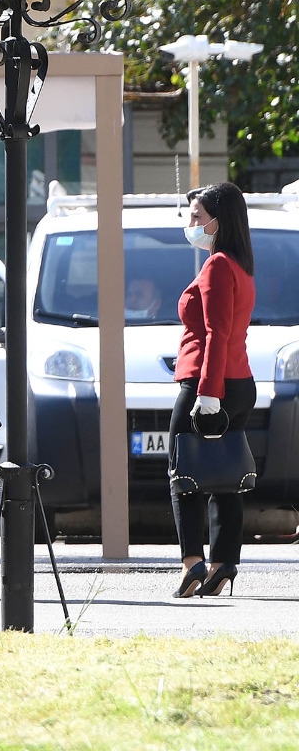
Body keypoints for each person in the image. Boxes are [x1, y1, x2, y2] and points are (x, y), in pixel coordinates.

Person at [169, 182, 256, 599]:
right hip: (238, 382)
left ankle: (192, 564)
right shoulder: (239, 264)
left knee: (182, 471)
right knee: (226, 476)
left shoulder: (218, 265)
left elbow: (215, 331)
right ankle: (222, 565)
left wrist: (206, 393)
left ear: (218, 222)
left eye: (196, 216)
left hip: (209, 381)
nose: (190, 223)